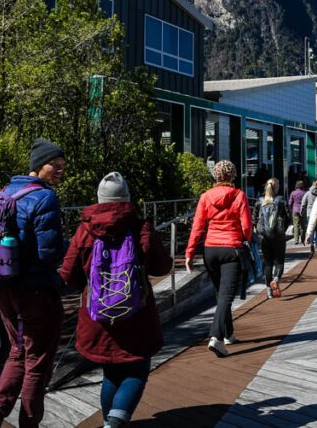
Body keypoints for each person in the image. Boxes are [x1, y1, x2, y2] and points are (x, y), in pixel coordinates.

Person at [60, 172, 173, 428]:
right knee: (137, 369)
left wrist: (88, 289)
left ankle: (109, 422)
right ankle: (115, 423)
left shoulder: (85, 230)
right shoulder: (141, 227)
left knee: (110, 372)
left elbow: (68, 273)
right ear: (127, 198)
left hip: (97, 315)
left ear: (99, 200)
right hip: (136, 314)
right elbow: (162, 267)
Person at [0, 139, 66, 428]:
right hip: (35, 290)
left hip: (3, 287)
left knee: (17, 350)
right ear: (39, 164)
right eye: (55, 164)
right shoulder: (45, 198)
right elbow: (47, 253)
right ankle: (29, 424)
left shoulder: (4, 192)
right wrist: (72, 245)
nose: (60, 170)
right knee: (37, 363)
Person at [185, 160, 252, 358]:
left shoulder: (205, 197)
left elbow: (197, 226)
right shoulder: (239, 195)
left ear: (215, 176)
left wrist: (189, 253)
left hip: (210, 249)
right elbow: (247, 226)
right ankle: (216, 336)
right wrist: (245, 239)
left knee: (220, 293)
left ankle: (229, 332)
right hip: (231, 249)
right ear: (232, 176)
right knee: (226, 295)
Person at [254, 178, 290, 298]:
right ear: (277, 187)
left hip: (265, 237)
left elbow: (254, 219)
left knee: (268, 263)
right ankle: (276, 279)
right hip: (279, 237)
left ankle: (269, 290)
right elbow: (288, 216)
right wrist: (283, 228)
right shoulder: (281, 200)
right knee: (279, 261)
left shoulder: (259, 201)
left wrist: (260, 230)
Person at [288, 180, 307, 245]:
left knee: (296, 225)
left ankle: (296, 240)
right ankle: (303, 239)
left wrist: (289, 210)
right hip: (303, 210)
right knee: (303, 225)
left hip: (295, 210)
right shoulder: (304, 193)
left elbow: (290, 203)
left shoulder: (293, 193)